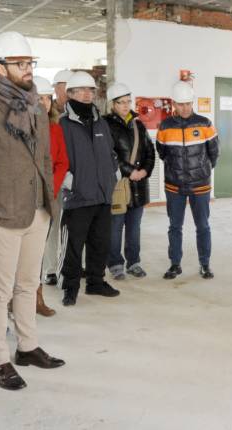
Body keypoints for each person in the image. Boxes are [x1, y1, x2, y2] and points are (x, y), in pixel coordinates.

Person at [0, 31, 65, 391]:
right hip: (1, 215)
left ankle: (28, 347)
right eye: (20, 63)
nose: (27, 68)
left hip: (37, 211)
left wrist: (48, 204)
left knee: (28, 284)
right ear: (0, 68)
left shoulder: (36, 107)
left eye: (30, 62)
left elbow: (44, 158)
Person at [58, 71, 120, 306]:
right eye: (81, 90)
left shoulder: (101, 122)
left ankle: (96, 282)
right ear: (70, 94)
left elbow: (111, 153)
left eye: (90, 90)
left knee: (100, 243)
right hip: (78, 197)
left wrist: (113, 176)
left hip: (102, 195)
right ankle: (70, 287)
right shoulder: (63, 124)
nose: (86, 94)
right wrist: (71, 183)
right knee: (74, 246)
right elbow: (56, 159)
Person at [156, 81, 219, 280]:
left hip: (200, 185)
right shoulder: (165, 126)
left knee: (203, 226)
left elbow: (214, 153)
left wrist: (202, 170)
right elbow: (162, 153)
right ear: (174, 103)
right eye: (180, 104)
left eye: (188, 104)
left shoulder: (205, 124)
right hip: (174, 185)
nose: (184, 108)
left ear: (192, 102)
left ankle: (205, 264)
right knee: (175, 227)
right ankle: (175, 264)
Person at [104, 82, 155, 280]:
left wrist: (145, 171)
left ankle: (134, 262)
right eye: (121, 102)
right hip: (118, 185)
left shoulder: (138, 125)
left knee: (134, 228)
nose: (126, 106)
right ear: (112, 104)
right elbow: (108, 155)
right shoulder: (105, 124)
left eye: (128, 101)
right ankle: (115, 265)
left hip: (138, 186)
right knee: (115, 228)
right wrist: (129, 171)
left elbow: (150, 151)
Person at [33, 76, 66, 316]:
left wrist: (50, 190)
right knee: (22, 253)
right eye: (39, 98)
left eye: (47, 98)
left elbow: (62, 162)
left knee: (38, 249)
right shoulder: (18, 128)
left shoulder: (55, 128)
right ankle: (15, 300)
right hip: (24, 199)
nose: (44, 102)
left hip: (47, 198)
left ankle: (37, 298)